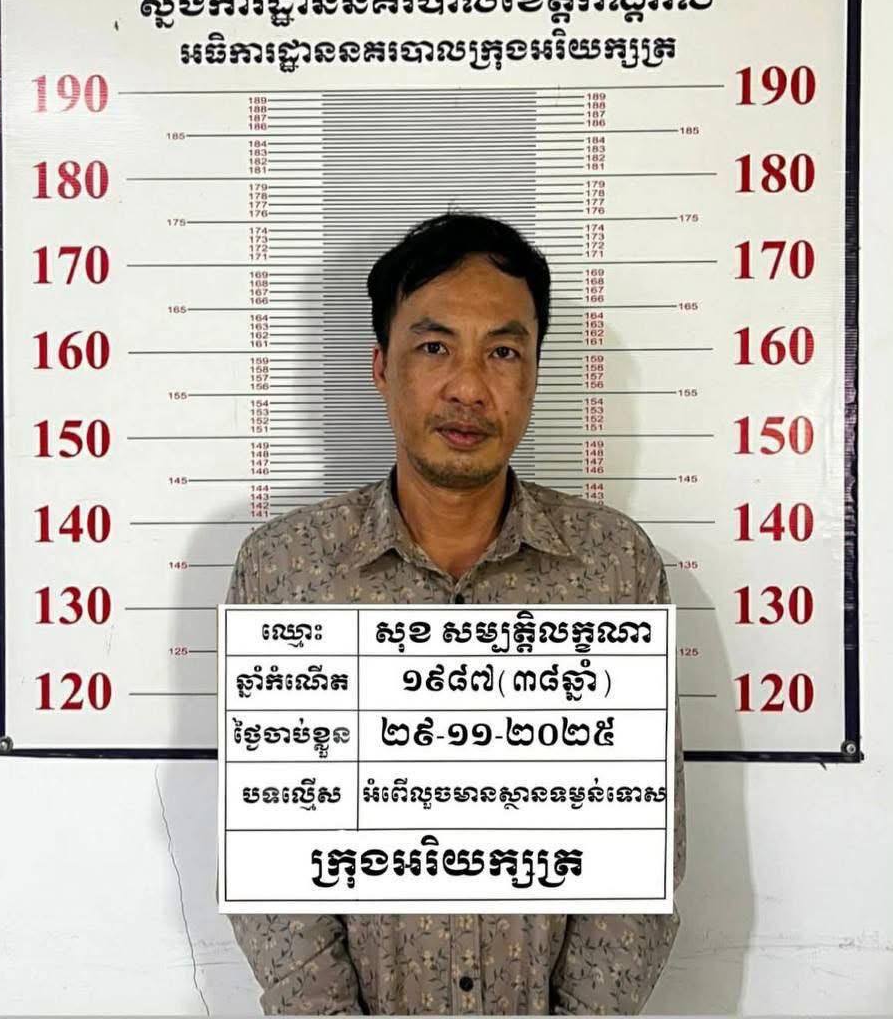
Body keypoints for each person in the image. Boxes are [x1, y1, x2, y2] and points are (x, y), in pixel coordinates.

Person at [225, 210, 687, 1015]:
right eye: (435, 348)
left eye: (503, 352)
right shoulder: (286, 572)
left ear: (535, 373)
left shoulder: (613, 569)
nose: (469, 388)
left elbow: (640, 851)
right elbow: (273, 860)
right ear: (381, 366)